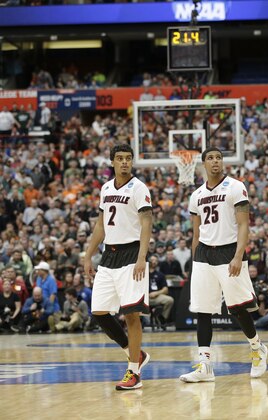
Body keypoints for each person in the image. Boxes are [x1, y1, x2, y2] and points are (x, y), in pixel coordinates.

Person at [180, 147, 268, 383]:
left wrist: (239, 255)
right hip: (203, 255)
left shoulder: (236, 187)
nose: (215, 161)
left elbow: (243, 225)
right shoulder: (196, 195)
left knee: (238, 308)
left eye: (219, 157)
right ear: (203, 164)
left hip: (229, 251)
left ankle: (257, 348)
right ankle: (205, 365)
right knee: (203, 310)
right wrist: (194, 262)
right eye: (210, 158)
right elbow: (196, 233)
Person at [84, 143, 153, 391]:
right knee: (99, 312)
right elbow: (101, 226)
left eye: (128, 158)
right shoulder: (105, 188)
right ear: (112, 162)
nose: (124, 162)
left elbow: (147, 223)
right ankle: (134, 352)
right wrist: (88, 255)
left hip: (132, 253)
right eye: (120, 158)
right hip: (109, 255)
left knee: (131, 314)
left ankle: (134, 372)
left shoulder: (139, 188)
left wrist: (142, 257)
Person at [147, 255, 174, 324]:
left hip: (157, 297)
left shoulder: (160, 275)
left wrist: (156, 293)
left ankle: (162, 317)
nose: (154, 262)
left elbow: (165, 289)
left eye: (156, 261)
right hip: (145, 297)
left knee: (170, 300)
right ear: (148, 261)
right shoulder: (144, 274)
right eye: (153, 260)